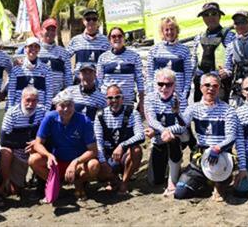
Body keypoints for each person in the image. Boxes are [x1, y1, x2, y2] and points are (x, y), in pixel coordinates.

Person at [175, 72, 239, 202]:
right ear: (200, 88)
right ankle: (207, 180)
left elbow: (232, 136)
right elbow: (183, 125)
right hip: (201, 154)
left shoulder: (228, 110)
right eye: (207, 85)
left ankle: (221, 181)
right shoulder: (193, 108)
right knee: (180, 192)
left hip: (221, 154)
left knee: (220, 187)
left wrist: (217, 148)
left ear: (219, 88)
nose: (211, 88)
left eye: (215, 86)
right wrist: (176, 114)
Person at [29, 91, 99, 203]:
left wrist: (76, 161)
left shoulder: (84, 121)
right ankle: (56, 184)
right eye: (62, 105)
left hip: (78, 162)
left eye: (69, 105)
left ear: (74, 105)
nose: (66, 109)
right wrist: (48, 155)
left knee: (93, 165)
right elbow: (38, 143)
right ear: (56, 107)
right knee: (34, 160)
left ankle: (79, 184)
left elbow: (93, 150)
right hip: (58, 161)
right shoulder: (50, 118)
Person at [91, 84, 144, 194]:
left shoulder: (132, 113)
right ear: (106, 99)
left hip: (124, 154)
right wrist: (103, 162)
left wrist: (122, 145)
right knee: (98, 170)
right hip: (108, 155)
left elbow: (141, 135)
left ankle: (124, 182)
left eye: (117, 97)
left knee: (137, 150)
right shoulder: (100, 115)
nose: (114, 100)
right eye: (110, 98)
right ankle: (114, 180)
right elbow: (99, 141)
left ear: (122, 98)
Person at [0, 86, 46, 201]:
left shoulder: (43, 112)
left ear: (38, 101)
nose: (30, 103)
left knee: (40, 152)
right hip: (15, 150)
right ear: (22, 99)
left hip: (30, 150)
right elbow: (5, 140)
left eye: (34, 100)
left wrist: (37, 142)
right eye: (27, 100)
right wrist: (28, 143)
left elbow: (48, 135)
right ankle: (2, 185)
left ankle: (41, 186)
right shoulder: (11, 113)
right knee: (6, 152)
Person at [144, 68, 187, 197]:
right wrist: (163, 131)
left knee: (172, 140)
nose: (164, 88)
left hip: (177, 137)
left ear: (174, 85)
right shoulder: (150, 98)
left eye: (168, 84)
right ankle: (170, 165)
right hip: (159, 137)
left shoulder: (181, 99)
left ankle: (172, 180)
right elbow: (151, 120)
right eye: (160, 84)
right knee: (155, 181)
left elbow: (183, 125)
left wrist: (167, 131)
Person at [146, 17, 193, 106]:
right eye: (166, 30)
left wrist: (184, 94)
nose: (169, 32)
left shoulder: (185, 50)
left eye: (172, 29)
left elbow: (188, 75)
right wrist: (150, 94)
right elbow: (149, 76)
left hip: (178, 97)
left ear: (177, 30)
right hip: (159, 97)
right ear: (162, 32)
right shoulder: (154, 50)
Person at [97, 26, 145, 114]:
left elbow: (140, 81)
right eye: (113, 36)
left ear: (124, 38)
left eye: (119, 36)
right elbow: (99, 82)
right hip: (107, 103)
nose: (117, 38)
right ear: (109, 39)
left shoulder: (134, 56)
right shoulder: (103, 58)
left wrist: (142, 101)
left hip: (127, 103)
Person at [194, 2, 235, 102]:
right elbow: (193, 60)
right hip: (202, 82)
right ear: (202, 18)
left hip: (220, 82)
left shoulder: (229, 35)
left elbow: (235, 59)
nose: (210, 17)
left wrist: (228, 71)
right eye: (206, 15)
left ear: (220, 16)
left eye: (214, 14)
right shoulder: (198, 37)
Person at [67, 8, 110, 81]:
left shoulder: (106, 41)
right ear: (83, 21)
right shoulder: (76, 40)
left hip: (99, 83)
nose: (91, 21)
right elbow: (64, 58)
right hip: (80, 82)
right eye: (88, 19)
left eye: (94, 19)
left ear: (98, 21)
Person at [7, 36, 51, 108]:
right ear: (25, 48)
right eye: (30, 46)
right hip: (19, 111)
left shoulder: (46, 69)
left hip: (39, 111)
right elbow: (11, 93)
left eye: (36, 46)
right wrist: (10, 110)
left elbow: (49, 93)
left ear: (39, 49)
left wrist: (46, 110)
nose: (33, 49)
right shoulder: (16, 69)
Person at [37, 18, 72, 101]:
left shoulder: (63, 52)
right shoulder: (35, 50)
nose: (50, 32)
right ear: (41, 31)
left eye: (53, 30)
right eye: (47, 29)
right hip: (38, 98)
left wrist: (67, 95)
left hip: (57, 98)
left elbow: (68, 77)